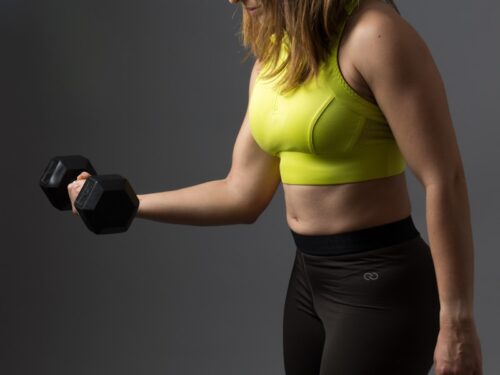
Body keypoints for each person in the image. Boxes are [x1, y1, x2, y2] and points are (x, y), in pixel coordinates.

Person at [67, 0, 483, 373]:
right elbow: (241, 193)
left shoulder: (374, 35)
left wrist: (457, 319)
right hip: (309, 281)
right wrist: (129, 203)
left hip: (380, 284)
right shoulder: (276, 58)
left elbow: (444, 178)